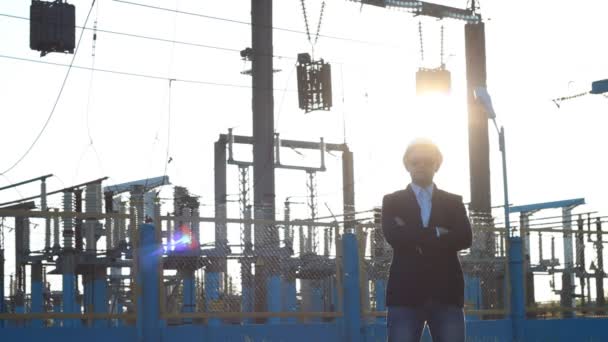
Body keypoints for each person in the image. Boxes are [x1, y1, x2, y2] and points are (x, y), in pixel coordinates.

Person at [382, 138, 472, 342]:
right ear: (407, 165)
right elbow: (394, 237)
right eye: (415, 162)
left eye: (428, 161)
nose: (421, 165)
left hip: (446, 294)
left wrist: (412, 234)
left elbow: (465, 238)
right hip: (405, 295)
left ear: (437, 164)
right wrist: (438, 233)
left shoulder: (453, 202)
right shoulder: (392, 201)